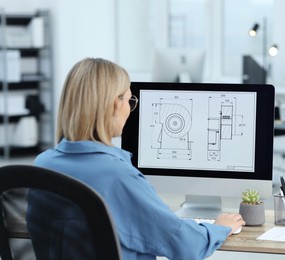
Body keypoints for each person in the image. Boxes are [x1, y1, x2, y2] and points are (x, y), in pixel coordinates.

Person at [26, 57, 245, 260]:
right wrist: (220, 227)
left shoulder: (42, 166)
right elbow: (183, 244)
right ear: (115, 104)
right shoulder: (117, 176)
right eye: (129, 100)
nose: (130, 110)